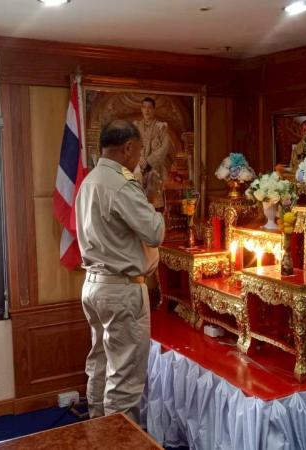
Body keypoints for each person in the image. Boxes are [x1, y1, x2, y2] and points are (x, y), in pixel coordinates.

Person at [74, 119, 165, 423]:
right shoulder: (121, 184)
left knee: (100, 366)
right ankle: (119, 439)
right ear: (127, 148)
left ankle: (98, 434)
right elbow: (154, 233)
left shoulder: (89, 182)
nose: (139, 158)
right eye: (139, 151)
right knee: (124, 380)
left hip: (94, 285)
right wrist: (151, 199)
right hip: (121, 290)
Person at [133, 96, 172, 210]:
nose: (147, 110)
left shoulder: (160, 127)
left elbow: (165, 147)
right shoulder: (136, 127)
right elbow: (132, 145)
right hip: (139, 167)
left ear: (154, 110)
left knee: (155, 203)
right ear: (141, 109)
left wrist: (149, 162)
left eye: (149, 108)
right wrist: (140, 160)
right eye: (144, 107)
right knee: (138, 202)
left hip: (155, 168)